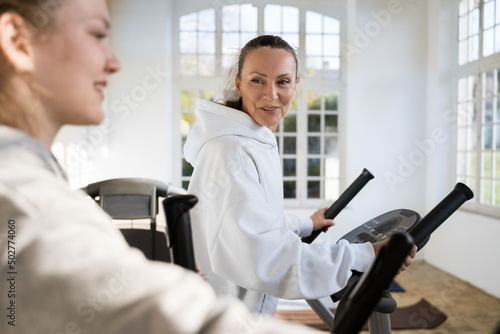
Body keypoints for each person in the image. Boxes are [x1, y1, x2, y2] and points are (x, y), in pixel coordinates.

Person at [0, 2, 322, 333]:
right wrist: (357, 258)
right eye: (97, 34)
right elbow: (168, 318)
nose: (114, 63)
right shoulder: (22, 203)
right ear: (18, 40)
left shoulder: (34, 185)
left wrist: (303, 224)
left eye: (284, 81)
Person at [184, 35, 417, 315]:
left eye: (283, 81)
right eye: (257, 80)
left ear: (295, 86)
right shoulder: (232, 151)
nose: (271, 94)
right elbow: (265, 258)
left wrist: (306, 225)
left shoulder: (252, 139)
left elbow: (254, 217)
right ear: (238, 84)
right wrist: (364, 255)